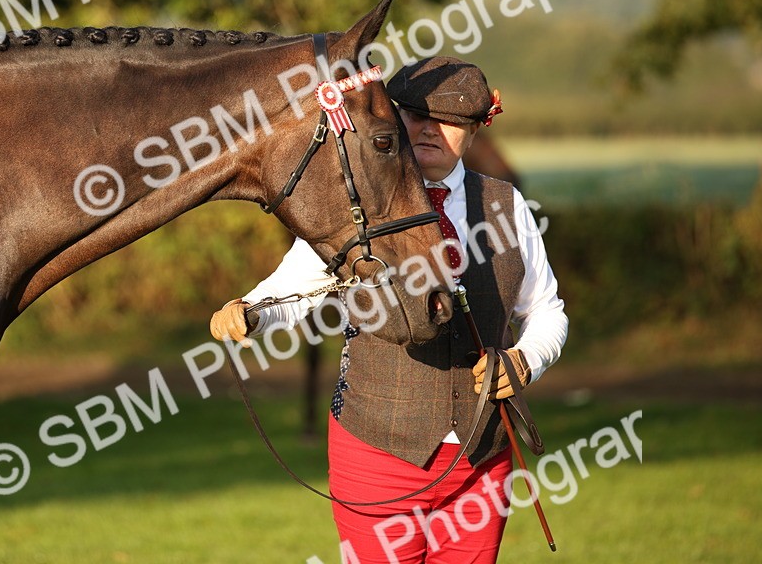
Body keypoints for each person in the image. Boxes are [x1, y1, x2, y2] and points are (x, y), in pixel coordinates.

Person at [210, 56, 567, 564]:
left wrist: (526, 360)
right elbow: (297, 289)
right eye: (416, 115)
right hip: (375, 450)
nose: (428, 130)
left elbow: (547, 310)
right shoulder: (357, 201)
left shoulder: (506, 206)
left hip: (483, 458)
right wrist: (252, 311)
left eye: (448, 121)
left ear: (475, 129)